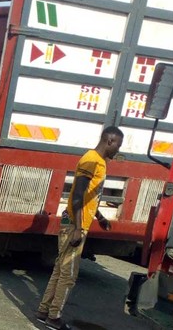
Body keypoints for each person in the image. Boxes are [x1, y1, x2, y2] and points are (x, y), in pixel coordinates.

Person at [36, 126, 124, 330]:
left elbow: (88, 197)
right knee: (69, 274)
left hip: (78, 221)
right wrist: (77, 227)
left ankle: (44, 310)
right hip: (75, 224)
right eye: (118, 145)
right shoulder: (91, 160)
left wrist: (100, 217)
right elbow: (76, 195)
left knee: (60, 269)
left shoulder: (99, 162)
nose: (118, 150)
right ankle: (54, 317)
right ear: (109, 141)